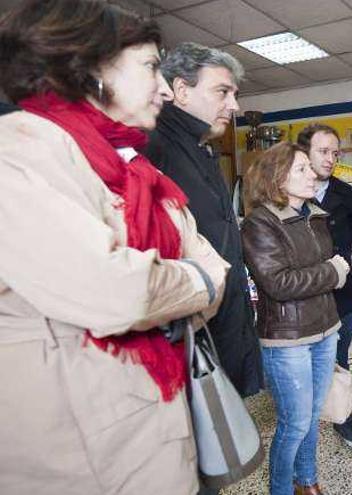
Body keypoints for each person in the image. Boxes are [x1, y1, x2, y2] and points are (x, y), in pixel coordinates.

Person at [0, 1, 231, 493]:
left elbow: (216, 267)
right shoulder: (17, 150)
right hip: (80, 461)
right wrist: (190, 283)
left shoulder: (141, 169)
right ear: (90, 66)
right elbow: (115, 291)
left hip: (162, 432)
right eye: (151, 67)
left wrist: (173, 289)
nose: (166, 89)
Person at [143, 42, 263, 398]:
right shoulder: (154, 146)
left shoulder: (197, 149)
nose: (234, 105)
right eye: (222, 92)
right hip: (190, 341)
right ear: (180, 90)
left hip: (222, 332)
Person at [241, 142, 350, 495]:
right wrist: (332, 272)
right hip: (287, 339)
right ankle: (280, 489)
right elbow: (278, 283)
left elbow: (310, 267)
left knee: (313, 416)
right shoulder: (260, 223)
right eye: (301, 169)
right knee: (295, 422)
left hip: (325, 329)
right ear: (277, 176)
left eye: (310, 167)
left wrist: (326, 271)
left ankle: (307, 482)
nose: (313, 174)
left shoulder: (314, 215)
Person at [296, 123, 352, 448]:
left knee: (339, 358)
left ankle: (342, 417)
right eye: (323, 151)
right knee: (305, 365)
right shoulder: (291, 197)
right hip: (305, 297)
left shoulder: (346, 193)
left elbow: (350, 238)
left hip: (343, 294)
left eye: (335, 153)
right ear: (304, 154)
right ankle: (303, 427)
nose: (330, 158)